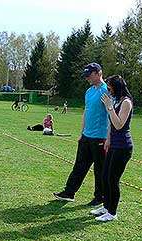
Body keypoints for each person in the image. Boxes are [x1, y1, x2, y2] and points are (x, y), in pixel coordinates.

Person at [53, 62, 109, 206]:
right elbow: (86, 111)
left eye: (89, 75)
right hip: (87, 135)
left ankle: (100, 197)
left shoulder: (106, 90)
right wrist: (82, 133)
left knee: (99, 169)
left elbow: (110, 114)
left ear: (98, 73)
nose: (87, 79)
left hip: (100, 136)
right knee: (80, 165)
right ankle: (69, 192)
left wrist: (109, 137)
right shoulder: (89, 91)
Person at [91, 75, 134, 222]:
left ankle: (112, 213)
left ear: (117, 87)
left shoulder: (126, 103)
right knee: (105, 176)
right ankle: (106, 206)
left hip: (123, 147)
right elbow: (111, 125)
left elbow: (119, 124)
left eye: (109, 87)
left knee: (113, 180)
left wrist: (109, 107)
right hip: (114, 145)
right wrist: (108, 140)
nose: (108, 91)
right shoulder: (117, 101)